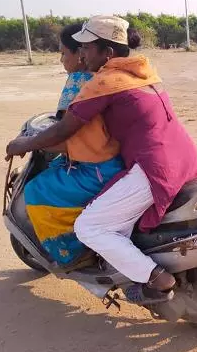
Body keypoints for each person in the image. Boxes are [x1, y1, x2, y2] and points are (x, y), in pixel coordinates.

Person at [6, 15, 197, 304]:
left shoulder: (105, 82)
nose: (82, 53)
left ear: (107, 53)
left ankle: (157, 279)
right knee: (112, 220)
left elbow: (63, 129)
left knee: (89, 227)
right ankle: (124, 271)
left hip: (153, 168)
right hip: (183, 157)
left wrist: (23, 144)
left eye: (87, 48)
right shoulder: (142, 71)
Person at [16, 23, 125, 267]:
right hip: (119, 159)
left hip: (96, 167)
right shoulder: (112, 75)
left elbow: (65, 133)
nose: (61, 59)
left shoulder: (79, 81)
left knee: (36, 190)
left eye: (65, 53)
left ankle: (72, 254)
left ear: (81, 54)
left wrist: (25, 143)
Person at [56, 23, 93, 117]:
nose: (61, 60)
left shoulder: (76, 79)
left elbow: (63, 122)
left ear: (80, 53)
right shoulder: (104, 74)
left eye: (63, 53)